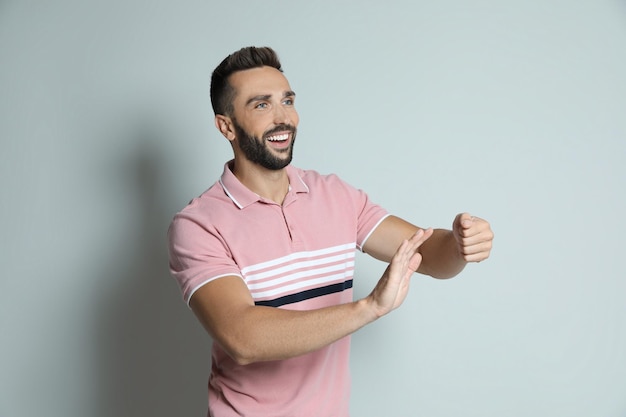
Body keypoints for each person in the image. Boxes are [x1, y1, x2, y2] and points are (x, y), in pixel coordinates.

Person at [167, 46, 494, 417]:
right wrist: (369, 308)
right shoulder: (198, 224)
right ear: (226, 125)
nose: (282, 118)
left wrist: (460, 244)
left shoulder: (334, 195)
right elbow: (243, 337)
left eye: (287, 101)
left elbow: (428, 254)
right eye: (261, 105)